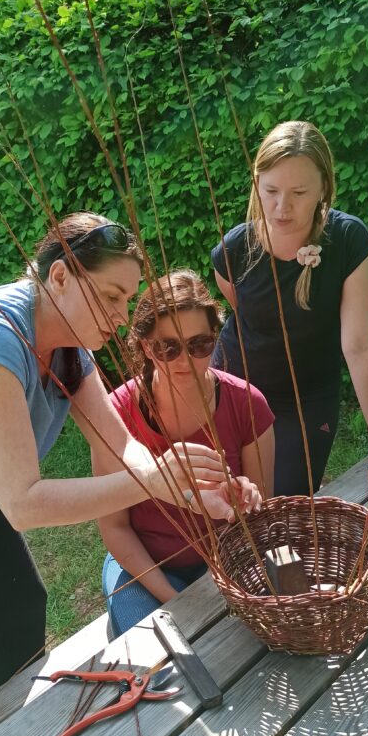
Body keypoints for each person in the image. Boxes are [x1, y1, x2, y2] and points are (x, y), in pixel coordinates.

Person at [0, 213, 237, 687]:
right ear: (60, 276)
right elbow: (23, 504)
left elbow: (121, 445)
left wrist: (186, 492)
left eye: (127, 299)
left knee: (20, 602)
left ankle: (16, 722)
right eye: (111, 296)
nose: (123, 316)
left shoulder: (68, 346)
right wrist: (153, 480)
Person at [211, 120, 368, 496]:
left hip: (305, 401)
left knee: (285, 504)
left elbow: (359, 343)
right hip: (235, 390)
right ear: (256, 183)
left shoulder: (349, 242)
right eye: (270, 190)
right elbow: (240, 310)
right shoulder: (234, 249)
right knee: (226, 498)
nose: (282, 207)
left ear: (324, 187)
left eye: (299, 192)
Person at [100, 269, 275, 636]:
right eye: (167, 347)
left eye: (200, 345)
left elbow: (259, 513)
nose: (185, 360)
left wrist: (246, 499)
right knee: (154, 650)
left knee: (245, 645)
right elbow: (114, 526)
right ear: (145, 346)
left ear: (216, 338)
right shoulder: (115, 414)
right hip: (143, 565)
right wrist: (172, 597)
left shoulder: (247, 403)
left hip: (228, 559)